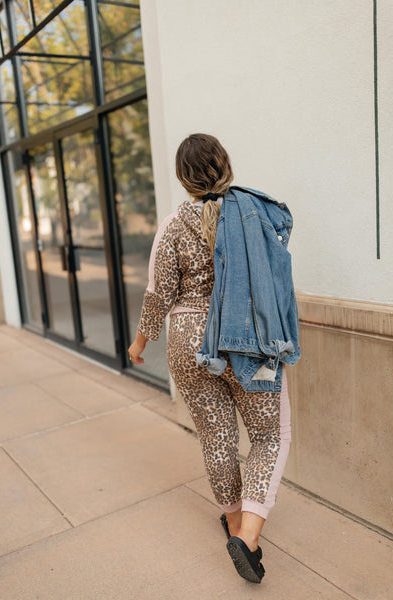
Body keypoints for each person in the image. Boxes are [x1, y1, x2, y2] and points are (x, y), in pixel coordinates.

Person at [128, 133, 299, 584]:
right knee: (268, 435)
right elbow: (276, 275)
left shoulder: (174, 222)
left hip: (187, 338)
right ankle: (248, 536)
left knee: (215, 433)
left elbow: (158, 291)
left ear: (184, 179)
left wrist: (140, 343)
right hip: (247, 336)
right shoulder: (253, 214)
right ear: (225, 164)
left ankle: (231, 517)